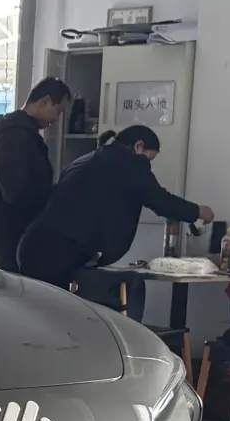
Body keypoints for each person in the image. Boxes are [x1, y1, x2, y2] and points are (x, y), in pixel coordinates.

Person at [16, 125, 215, 298]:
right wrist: (198, 211)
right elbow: (161, 201)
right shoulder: (129, 164)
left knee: (39, 313)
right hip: (57, 252)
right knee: (53, 316)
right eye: (149, 158)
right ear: (138, 146)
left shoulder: (88, 159)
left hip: (35, 244)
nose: (147, 165)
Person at [0, 77, 72, 271]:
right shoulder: (16, 137)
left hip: (15, 240)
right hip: (14, 241)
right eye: (58, 111)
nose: (56, 120)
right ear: (45, 102)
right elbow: (17, 192)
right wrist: (53, 198)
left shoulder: (22, 134)